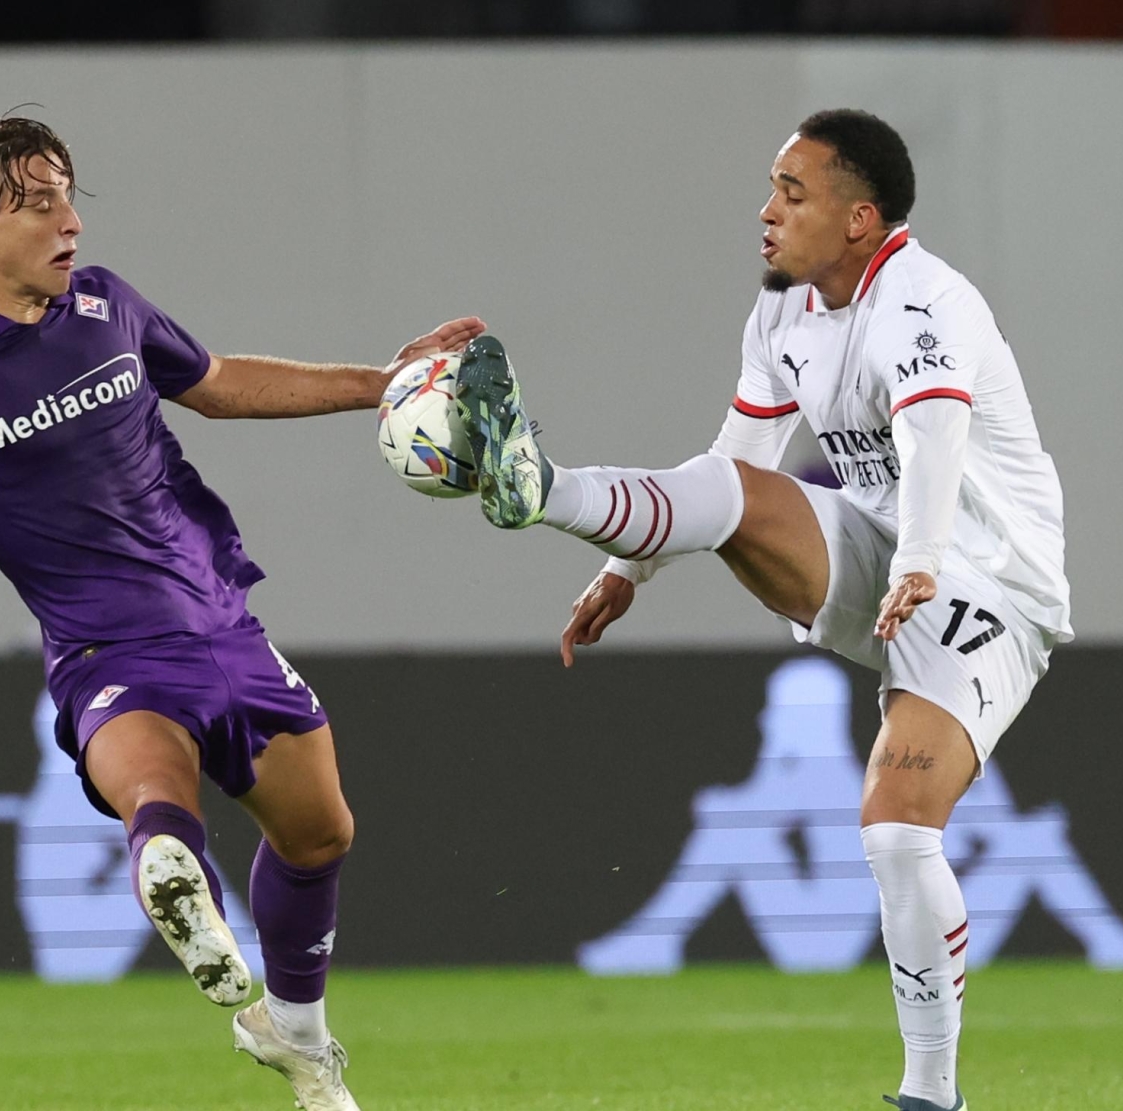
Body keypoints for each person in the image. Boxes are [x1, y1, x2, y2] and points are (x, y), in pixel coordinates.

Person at [0, 113, 482, 1111]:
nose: (69, 220)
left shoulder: (108, 307)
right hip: (107, 647)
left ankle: (295, 1037)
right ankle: (172, 875)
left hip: (222, 620)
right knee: (158, 793)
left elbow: (220, 383)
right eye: (38, 202)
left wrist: (380, 383)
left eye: (68, 195)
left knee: (322, 836)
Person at [442, 109, 1070, 1111]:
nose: (766, 212)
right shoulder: (782, 308)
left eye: (793, 192)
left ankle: (931, 1095)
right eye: (772, 187)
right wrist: (625, 570)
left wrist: (920, 557)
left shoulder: (923, 300)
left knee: (899, 831)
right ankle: (543, 485)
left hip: (987, 579)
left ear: (861, 219)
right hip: (880, 552)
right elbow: (732, 466)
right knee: (737, 494)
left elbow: (935, 440)